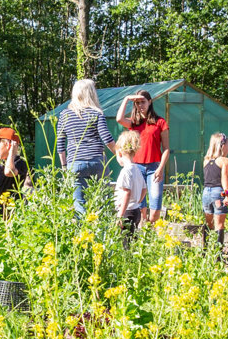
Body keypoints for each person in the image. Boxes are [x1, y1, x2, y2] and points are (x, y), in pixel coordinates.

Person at [56, 79, 116, 219]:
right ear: (91, 94)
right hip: (97, 162)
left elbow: (60, 144)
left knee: (79, 204)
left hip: (75, 163)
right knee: (102, 203)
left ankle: (84, 236)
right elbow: (106, 138)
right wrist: (119, 155)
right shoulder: (96, 113)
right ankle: (102, 234)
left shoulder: (65, 115)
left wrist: (64, 166)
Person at [118, 90, 170, 224]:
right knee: (139, 206)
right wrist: (127, 98)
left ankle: (150, 234)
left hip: (154, 167)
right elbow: (119, 119)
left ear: (150, 102)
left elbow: (166, 149)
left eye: (143, 102)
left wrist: (160, 168)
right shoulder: (133, 123)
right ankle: (141, 236)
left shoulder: (160, 122)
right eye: (138, 103)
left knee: (155, 206)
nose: (141, 105)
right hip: (137, 167)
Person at [0, 127, 30, 220]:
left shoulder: (20, 163)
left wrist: (12, 152)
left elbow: (9, 172)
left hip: (13, 211)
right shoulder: (0, 167)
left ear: (8, 145)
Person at [199, 133, 228, 250]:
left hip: (206, 193)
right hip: (218, 193)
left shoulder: (206, 160)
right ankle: (218, 255)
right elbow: (224, 178)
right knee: (219, 225)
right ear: (222, 146)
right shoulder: (224, 160)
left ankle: (205, 249)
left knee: (209, 223)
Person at [113, 131, 146, 236]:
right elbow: (145, 188)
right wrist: (137, 201)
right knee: (132, 240)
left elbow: (127, 193)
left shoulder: (125, 171)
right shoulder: (137, 169)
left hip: (127, 212)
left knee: (125, 242)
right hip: (136, 210)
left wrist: (120, 215)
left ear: (120, 153)